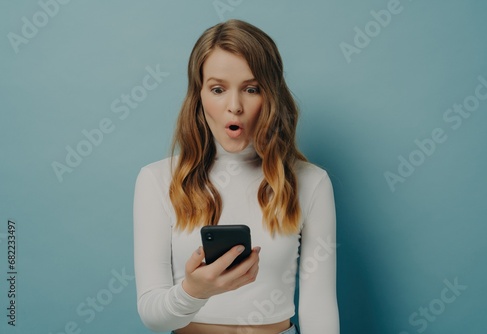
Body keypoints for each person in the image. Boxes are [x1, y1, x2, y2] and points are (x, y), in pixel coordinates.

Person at [133, 19, 339, 334]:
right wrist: (194, 291)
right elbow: (153, 315)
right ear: (199, 98)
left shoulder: (311, 182)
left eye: (251, 89)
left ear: (270, 95)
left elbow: (318, 308)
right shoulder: (156, 180)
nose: (235, 107)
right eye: (218, 89)